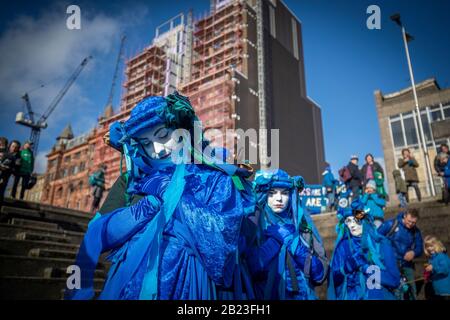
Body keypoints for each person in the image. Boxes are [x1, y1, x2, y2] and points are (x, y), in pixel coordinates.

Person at [65, 92, 255, 300]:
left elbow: (222, 244)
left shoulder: (214, 179)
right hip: (129, 288)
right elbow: (96, 236)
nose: (156, 149)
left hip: (188, 287)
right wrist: (141, 210)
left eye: (163, 135)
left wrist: (174, 195)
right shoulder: (134, 182)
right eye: (146, 143)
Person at [247, 169, 328, 300]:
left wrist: (295, 245)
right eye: (272, 193)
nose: (279, 198)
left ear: (291, 196)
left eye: (284, 193)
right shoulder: (254, 227)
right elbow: (247, 271)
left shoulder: (303, 226)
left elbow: (320, 274)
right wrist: (274, 243)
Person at [328, 199, 400, 300]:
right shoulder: (343, 247)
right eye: (348, 221)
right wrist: (347, 267)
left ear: (364, 221)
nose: (352, 225)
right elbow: (333, 279)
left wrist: (366, 268)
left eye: (356, 220)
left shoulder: (381, 244)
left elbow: (394, 280)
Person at [378, 208, 423, 300]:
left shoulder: (415, 231)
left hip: (406, 264)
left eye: (413, 223)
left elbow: (420, 247)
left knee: (411, 288)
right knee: (394, 289)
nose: (410, 224)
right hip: (390, 263)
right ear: (405, 216)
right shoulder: (391, 224)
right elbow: (376, 237)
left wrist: (414, 252)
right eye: (409, 221)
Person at [423, 235, 450, 300]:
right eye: (427, 246)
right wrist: (428, 274)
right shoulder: (432, 258)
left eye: (431, 246)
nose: (429, 248)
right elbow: (434, 273)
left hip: (445, 290)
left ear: (437, 245)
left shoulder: (442, 256)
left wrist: (433, 267)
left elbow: (445, 270)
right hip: (437, 290)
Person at [0, 140, 21, 206]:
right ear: (10, 145)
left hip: (5, 176)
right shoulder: (4, 152)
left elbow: (16, 169)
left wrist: (8, 168)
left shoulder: (18, 157)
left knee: (1, 192)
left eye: (16, 147)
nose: (14, 148)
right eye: (13, 146)